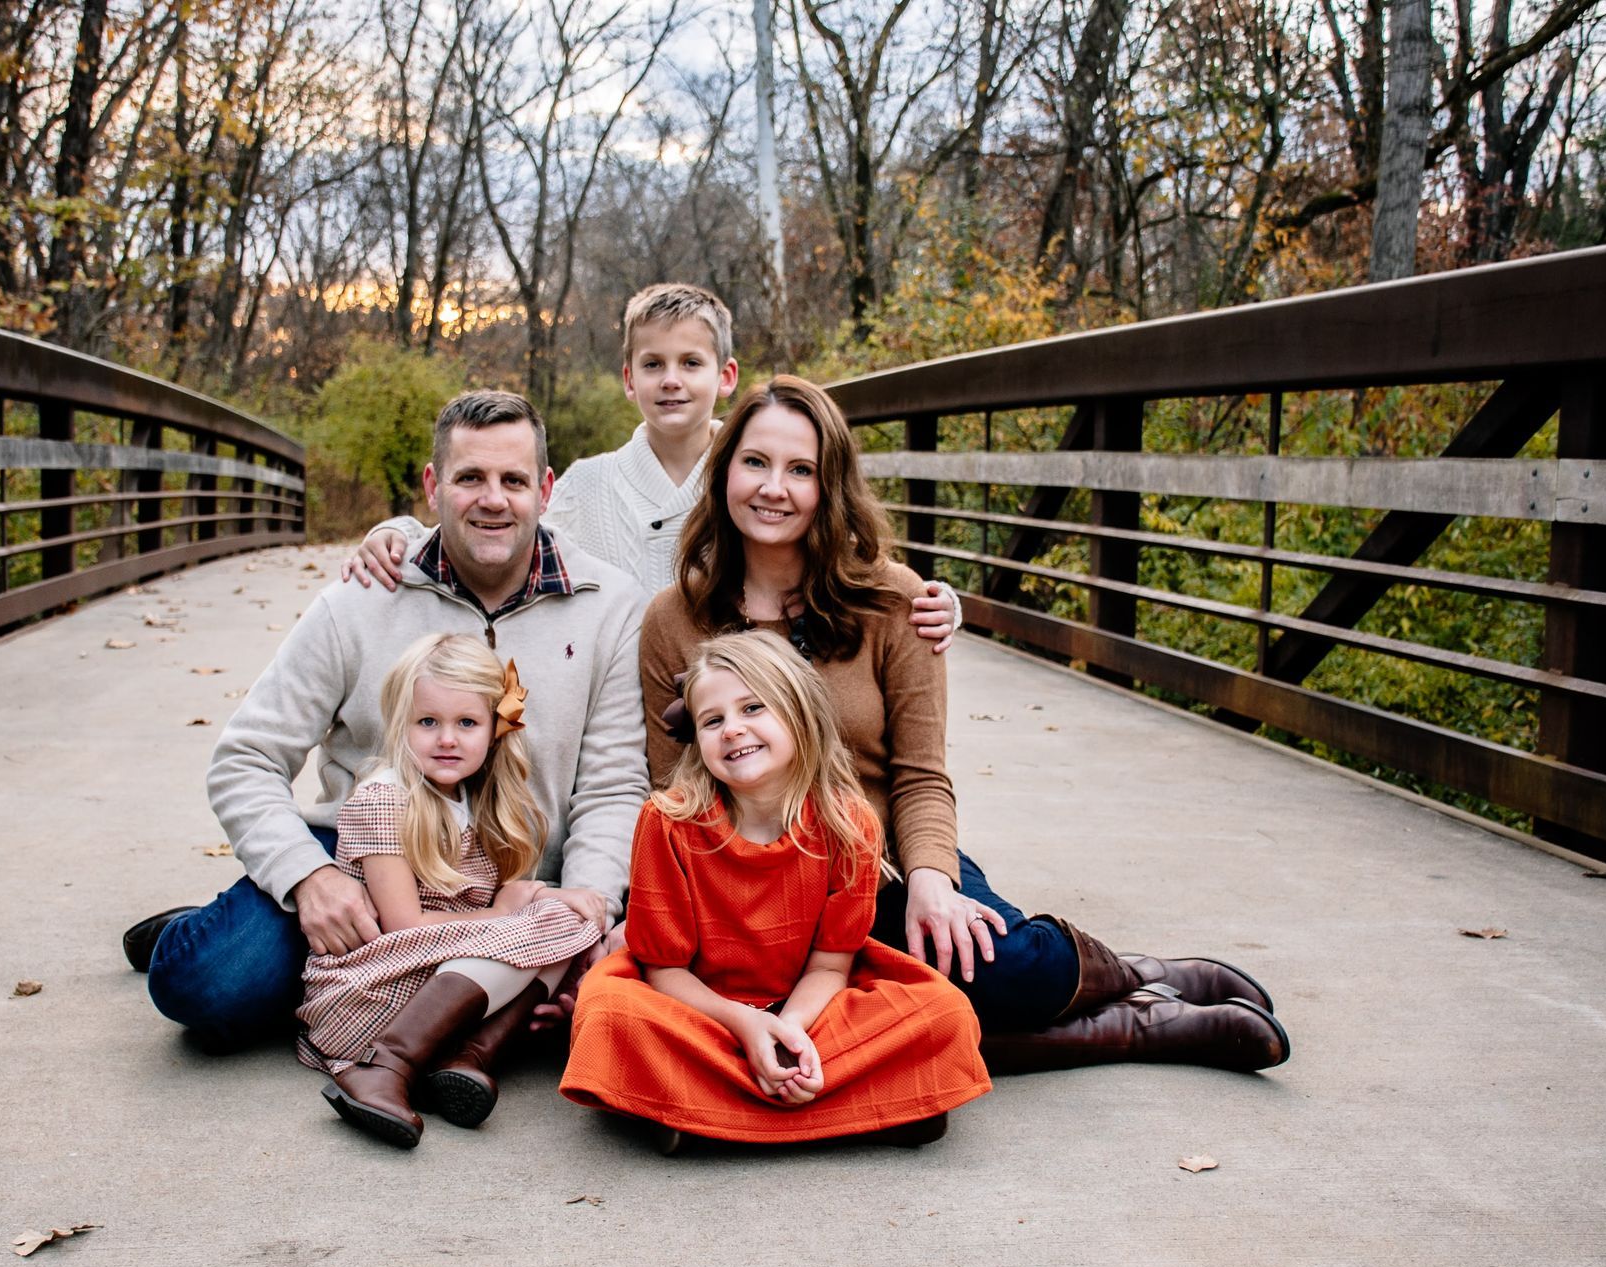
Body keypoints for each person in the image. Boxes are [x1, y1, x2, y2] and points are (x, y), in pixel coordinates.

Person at [637, 375, 1290, 1073]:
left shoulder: (895, 602)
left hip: (879, 861)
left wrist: (930, 879)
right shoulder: (676, 619)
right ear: (725, 469)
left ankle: (1132, 977)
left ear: (830, 488)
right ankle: (1140, 1027)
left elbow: (921, 774)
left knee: (995, 968)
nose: (775, 488)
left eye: (802, 470)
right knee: (880, 1016)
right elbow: (674, 786)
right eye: (756, 463)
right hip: (751, 890)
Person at [125, 390, 649, 1070]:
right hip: (371, 876)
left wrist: (588, 907)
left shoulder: (609, 606)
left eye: (513, 480)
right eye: (470, 478)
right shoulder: (360, 599)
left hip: (520, 886)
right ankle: (196, 930)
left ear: (545, 490)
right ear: (434, 486)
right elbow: (245, 758)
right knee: (209, 984)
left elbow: (612, 786)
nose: (493, 499)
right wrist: (307, 877)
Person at [339, 282, 960, 647]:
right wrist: (394, 533)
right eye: (653, 365)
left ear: (725, 377)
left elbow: (844, 557)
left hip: (734, 710)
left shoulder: (754, 484)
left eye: (691, 363)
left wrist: (937, 604)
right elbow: (500, 533)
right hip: (617, 706)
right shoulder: (588, 484)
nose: (672, 381)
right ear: (629, 379)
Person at [559, 631, 991, 1151]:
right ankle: (875, 1109)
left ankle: (697, 1116)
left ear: (799, 713)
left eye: (752, 708)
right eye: (712, 720)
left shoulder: (849, 823)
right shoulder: (668, 821)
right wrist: (745, 1026)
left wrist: (790, 1033)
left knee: (944, 1014)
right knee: (608, 1014)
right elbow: (663, 970)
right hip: (703, 1011)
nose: (733, 729)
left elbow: (832, 966)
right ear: (697, 738)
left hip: (808, 1006)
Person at [300, 633, 604, 1148]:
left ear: (494, 730)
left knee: (571, 918)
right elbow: (404, 927)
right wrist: (506, 916)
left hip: (440, 988)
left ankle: (466, 1059)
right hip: (371, 988)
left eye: (466, 723)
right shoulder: (386, 801)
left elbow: (493, 907)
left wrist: (551, 905)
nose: (447, 739)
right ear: (402, 724)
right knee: (532, 927)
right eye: (428, 722)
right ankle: (385, 1066)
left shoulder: (473, 799)